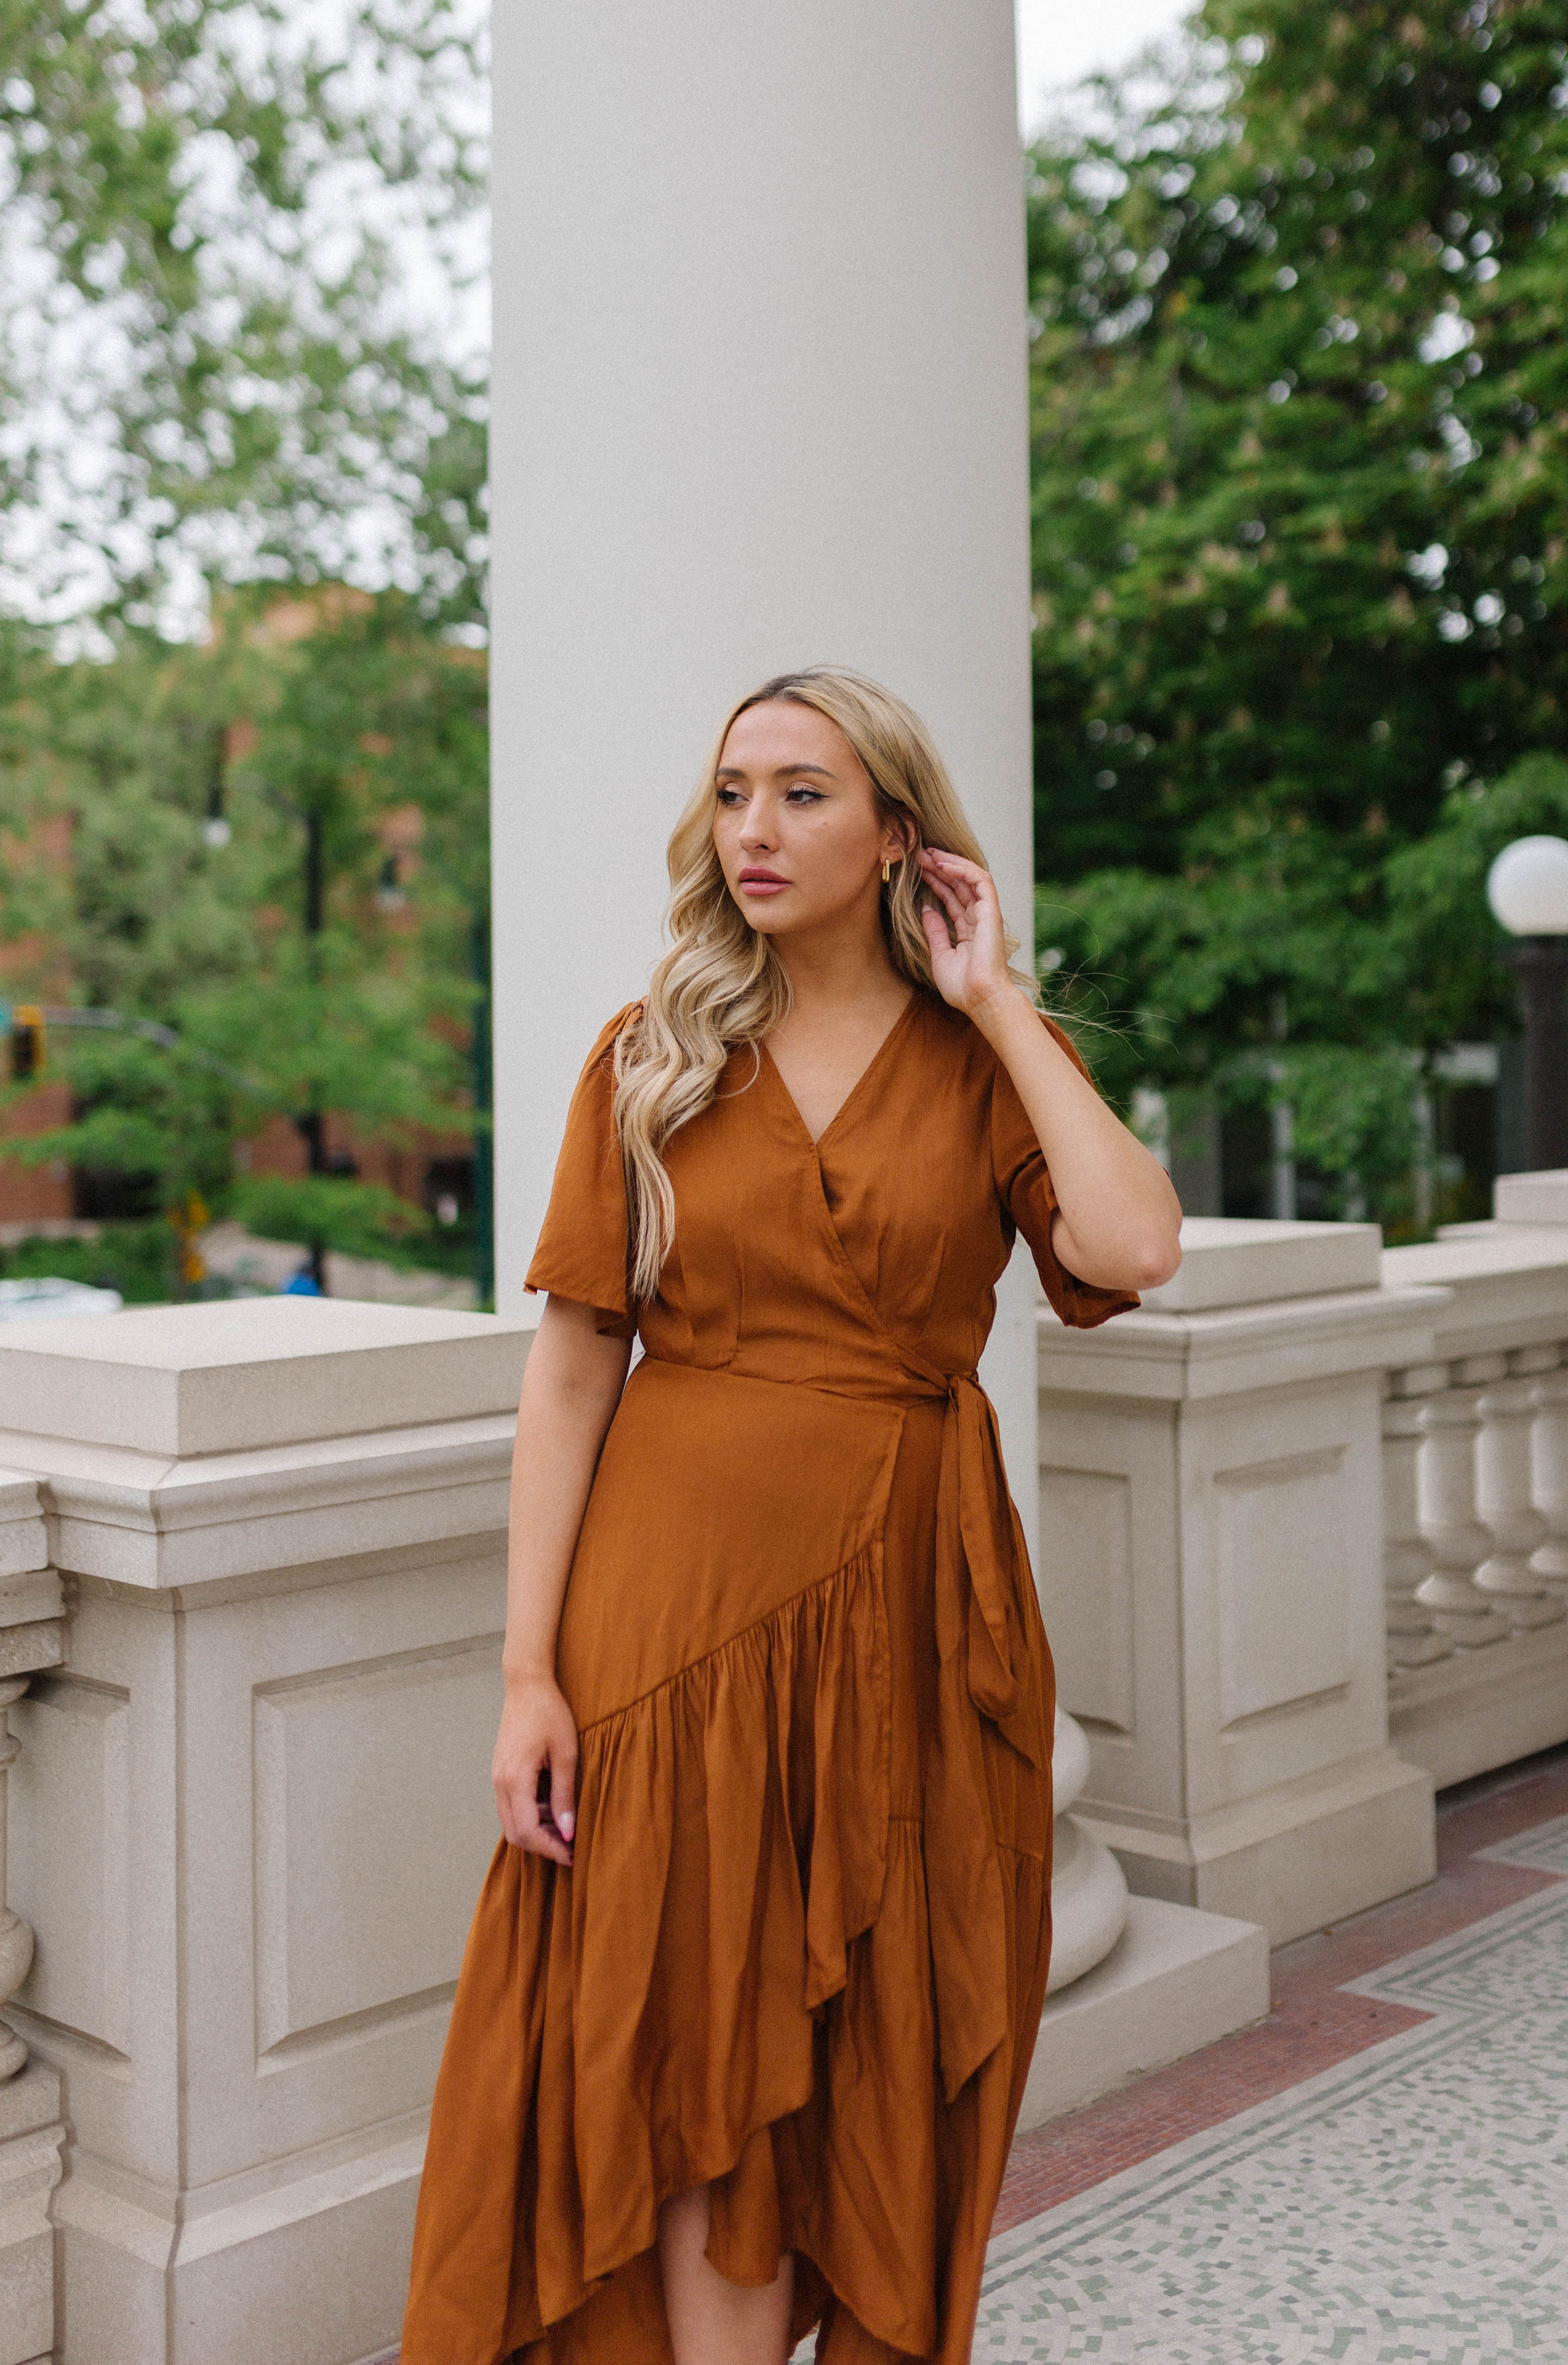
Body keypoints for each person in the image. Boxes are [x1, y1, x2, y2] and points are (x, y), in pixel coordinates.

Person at [400, 668, 1181, 2365]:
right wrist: (528, 1673)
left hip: (907, 1612)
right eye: (735, 790)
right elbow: (567, 1373)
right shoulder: (653, 1052)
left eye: (805, 793)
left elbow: (1129, 1250)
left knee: (861, 2052)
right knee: (693, 2062)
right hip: (666, 1621)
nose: (754, 827)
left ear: (899, 831)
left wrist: (999, 1009)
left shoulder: (982, 1068)